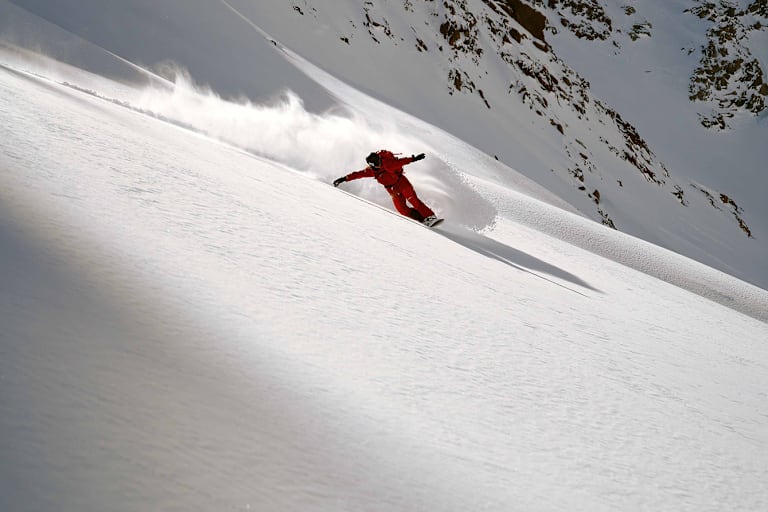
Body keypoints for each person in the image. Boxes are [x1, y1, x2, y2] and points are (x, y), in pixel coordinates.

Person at [333, 150, 438, 225]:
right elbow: (357, 174)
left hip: (401, 183)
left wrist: (414, 158)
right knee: (401, 209)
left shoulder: (388, 164)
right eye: (377, 164)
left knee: (413, 200)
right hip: (392, 190)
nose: (380, 164)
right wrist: (343, 179)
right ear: (372, 165)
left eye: (379, 161)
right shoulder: (372, 171)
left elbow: (401, 161)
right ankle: (422, 219)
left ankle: (430, 216)